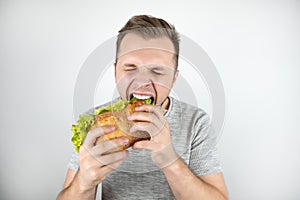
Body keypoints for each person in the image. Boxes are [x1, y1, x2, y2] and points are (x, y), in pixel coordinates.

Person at [57, 15, 228, 200]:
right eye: (130, 68)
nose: (142, 82)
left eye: (157, 71)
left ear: (174, 78)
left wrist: (170, 161)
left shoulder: (195, 122)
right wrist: (83, 183)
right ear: (116, 72)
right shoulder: (95, 122)